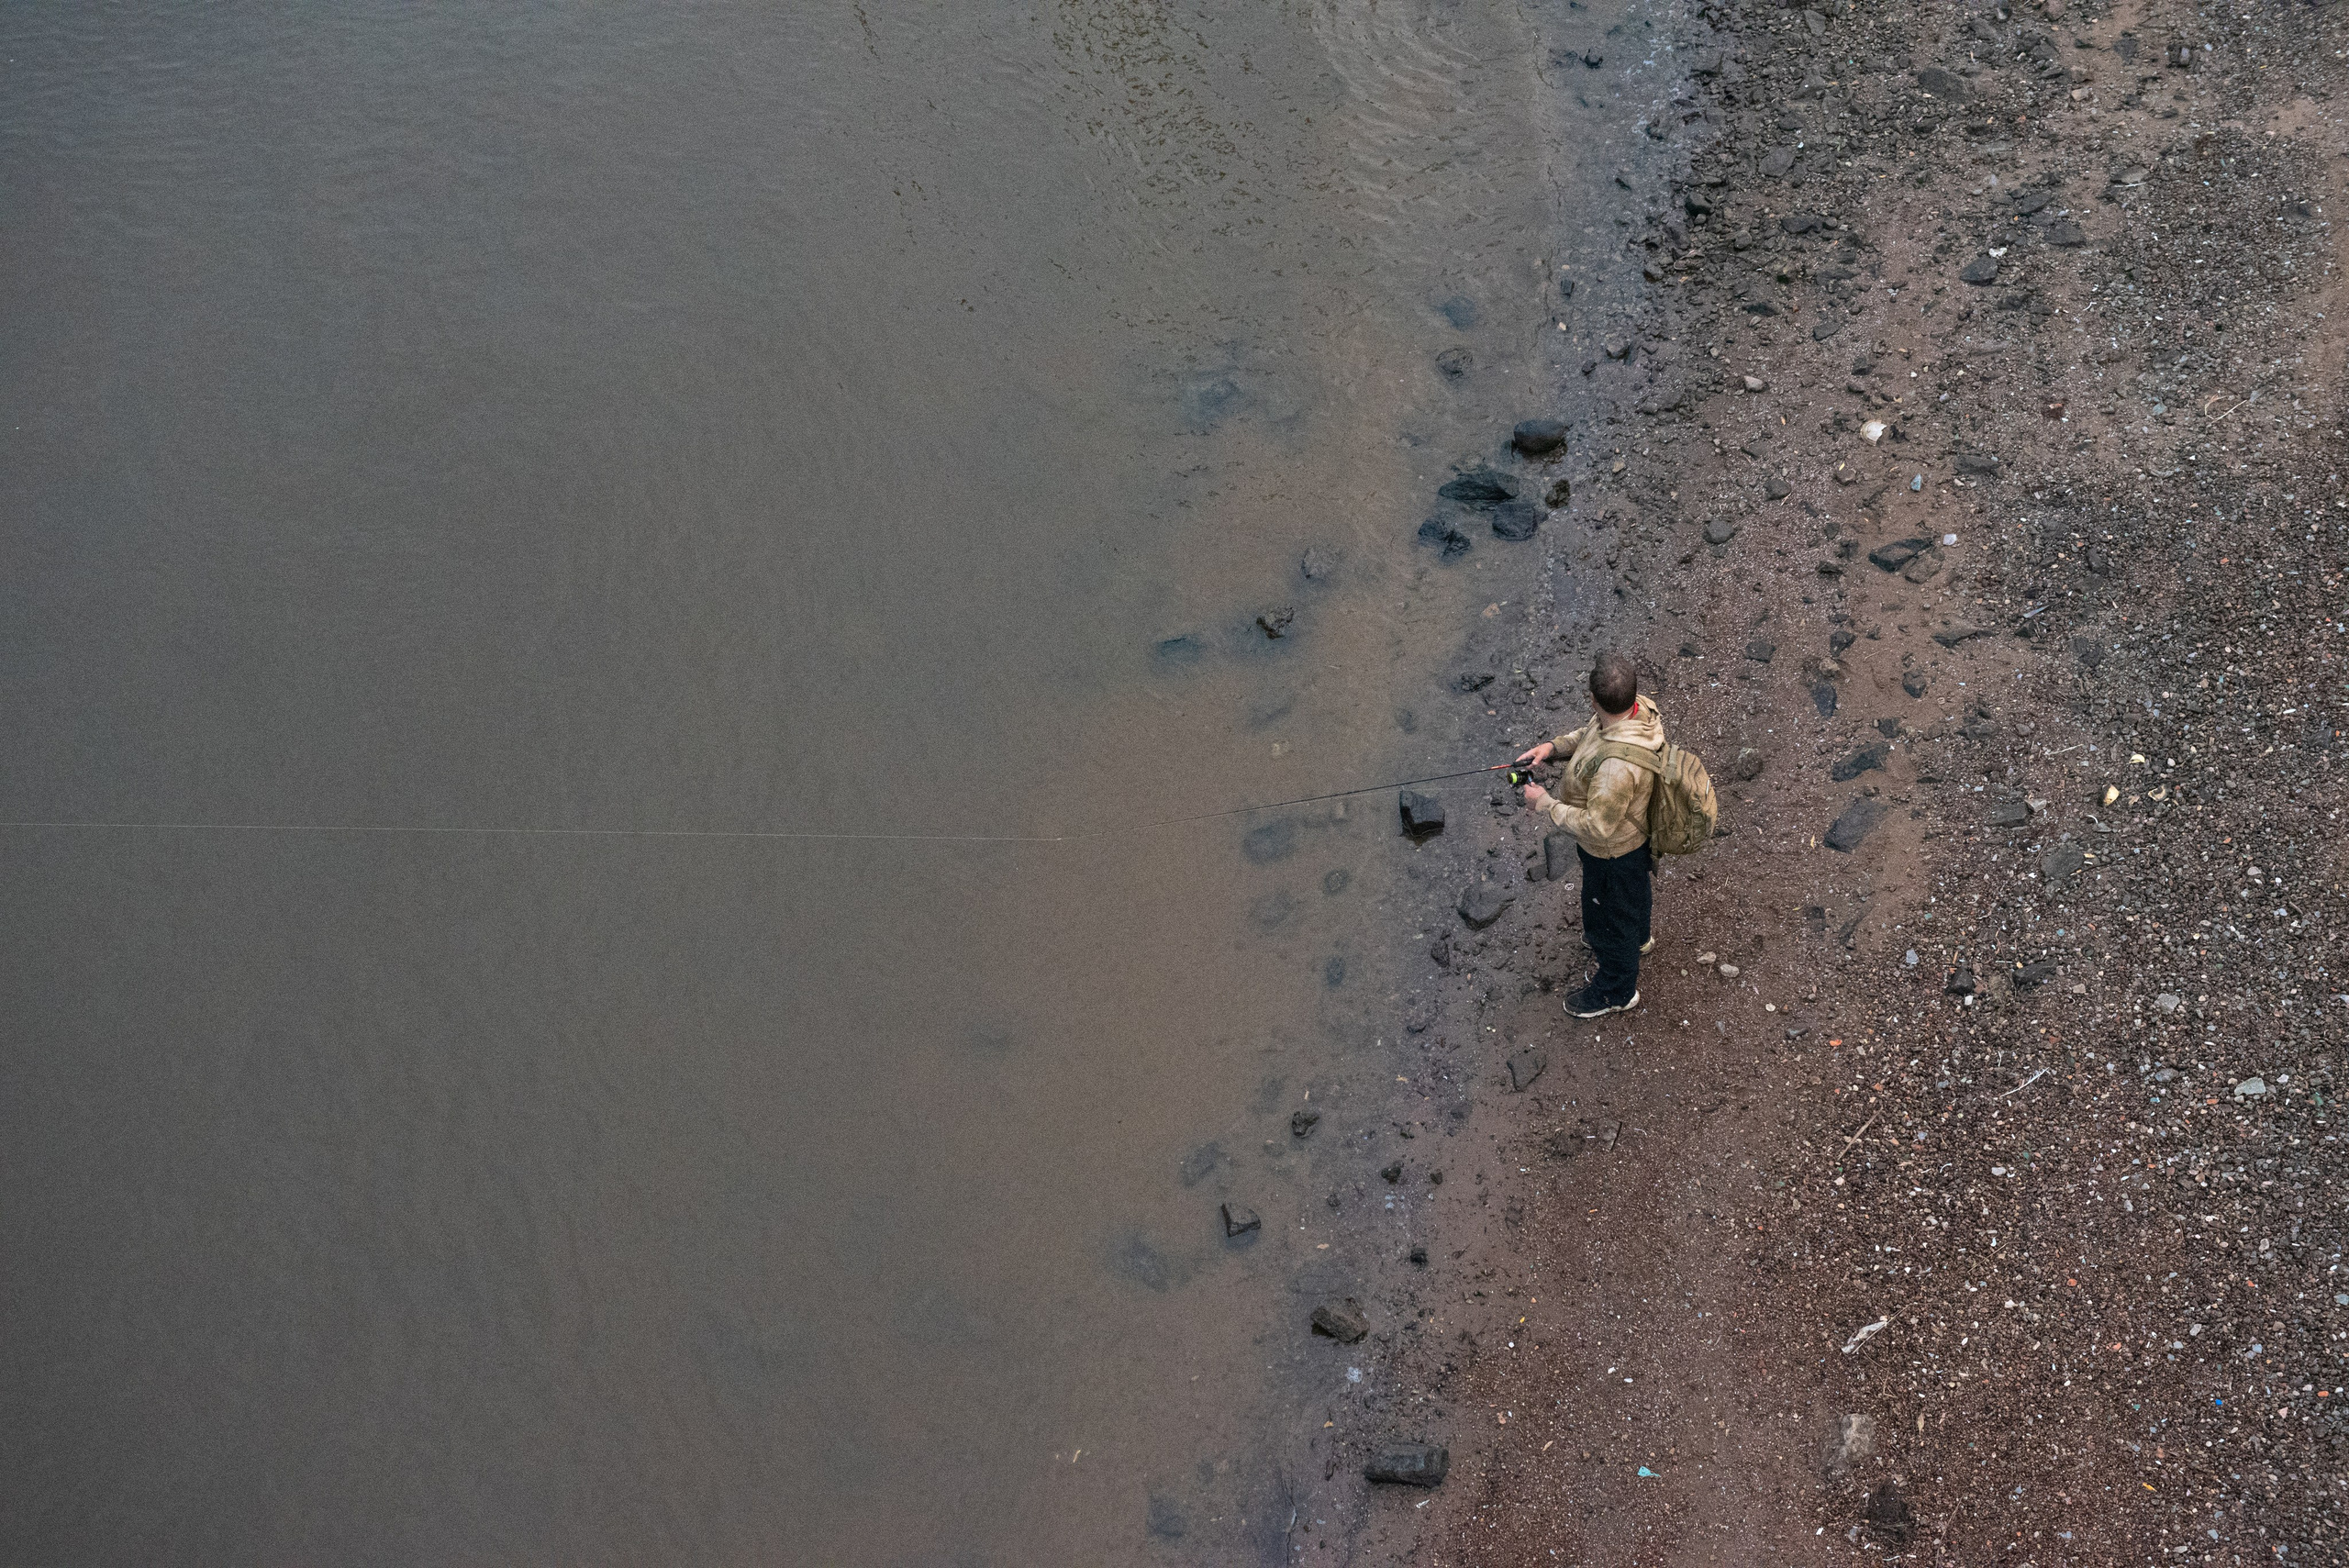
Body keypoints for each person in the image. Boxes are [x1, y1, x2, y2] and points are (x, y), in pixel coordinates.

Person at [1514, 653, 1664, 1018]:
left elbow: (1599, 826)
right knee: (1633, 899)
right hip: (1634, 844)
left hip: (1612, 854)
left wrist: (1545, 804)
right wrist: (1553, 748)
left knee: (1610, 924)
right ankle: (1639, 938)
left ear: (1595, 699)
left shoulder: (1616, 771)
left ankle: (1616, 991)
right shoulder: (1637, 712)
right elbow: (1592, 735)